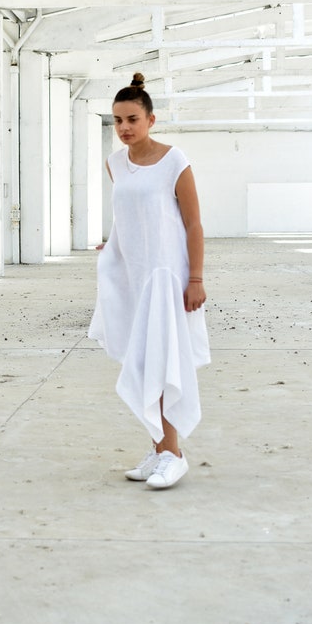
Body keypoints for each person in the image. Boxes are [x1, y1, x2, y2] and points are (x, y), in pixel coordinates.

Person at [88, 73, 210, 489]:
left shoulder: (175, 161)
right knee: (141, 364)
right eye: (118, 120)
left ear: (151, 120)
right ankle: (160, 449)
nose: (124, 128)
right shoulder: (115, 163)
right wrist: (114, 245)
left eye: (132, 119)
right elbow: (130, 214)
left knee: (162, 362)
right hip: (132, 276)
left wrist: (196, 278)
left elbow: (193, 224)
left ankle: (173, 455)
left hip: (166, 277)